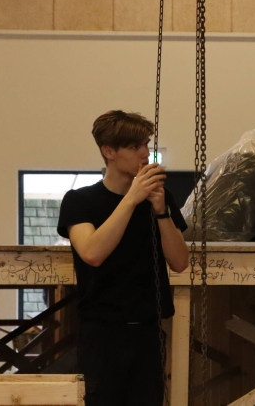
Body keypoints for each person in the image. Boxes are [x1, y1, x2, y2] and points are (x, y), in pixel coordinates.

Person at [57, 110, 190, 406]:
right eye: (134, 146)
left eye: (146, 144)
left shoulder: (160, 197)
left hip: (148, 329)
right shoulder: (80, 201)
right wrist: (132, 199)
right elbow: (92, 253)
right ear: (109, 152)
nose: (145, 153)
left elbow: (180, 262)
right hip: (102, 331)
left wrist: (161, 211)